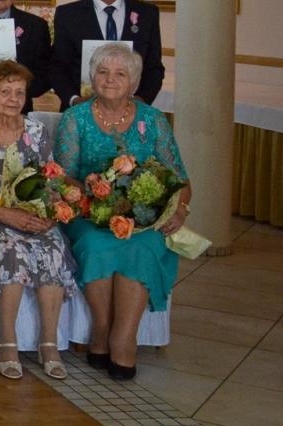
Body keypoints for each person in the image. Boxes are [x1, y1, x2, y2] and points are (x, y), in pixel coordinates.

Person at [54, 42, 190, 380]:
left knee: (141, 248)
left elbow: (180, 179)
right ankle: (101, 330)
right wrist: (92, 191)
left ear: (134, 82)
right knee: (96, 246)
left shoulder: (153, 120)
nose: (110, 79)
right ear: (92, 77)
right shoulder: (75, 119)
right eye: (102, 72)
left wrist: (180, 209)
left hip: (144, 221)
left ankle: (124, 338)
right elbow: (62, 176)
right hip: (90, 214)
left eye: (120, 74)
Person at [0, 61, 75, 381]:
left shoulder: (36, 131)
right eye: (5, 91)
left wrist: (48, 213)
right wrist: (6, 214)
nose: (13, 98)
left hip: (31, 214)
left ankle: (49, 343)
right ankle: (7, 341)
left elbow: (50, 179)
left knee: (54, 247)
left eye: (19, 92)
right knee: (12, 250)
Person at [50, 0, 164, 107]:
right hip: (81, 112)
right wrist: (73, 99)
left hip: (131, 113)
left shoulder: (147, 14)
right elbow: (58, 67)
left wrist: (140, 101)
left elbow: (154, 68)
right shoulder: (68, 14)